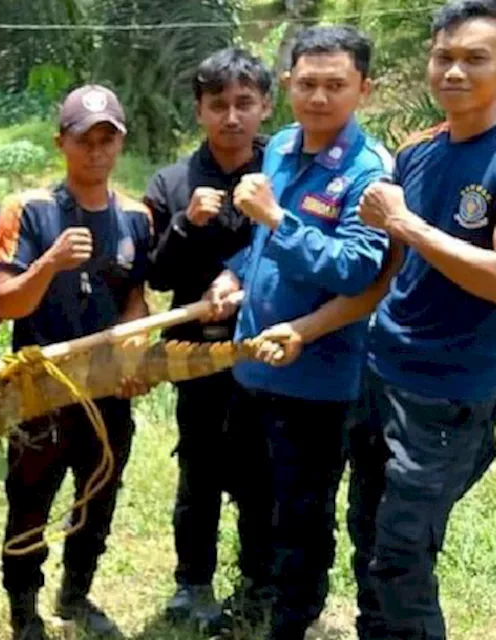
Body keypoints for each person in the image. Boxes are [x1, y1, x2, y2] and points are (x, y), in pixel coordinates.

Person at [248, 3, 496, 637]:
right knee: (371, 538)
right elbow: (382, 282)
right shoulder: (419, 154)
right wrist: (300, 330)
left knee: (404, 554)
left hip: (453, 392)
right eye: (444, 57)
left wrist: (407, 223)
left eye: (477, 58)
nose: (455, 72)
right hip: (380, 375)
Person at [203, 25, 392, 639]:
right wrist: (231, 279)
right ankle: (254, 591)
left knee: (302, 511)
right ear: (287, 85)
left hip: (317, 379)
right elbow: (260, 247)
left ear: (362, 88)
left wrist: (278, 220)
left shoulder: (371, 174)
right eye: (307, 83)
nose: (318, 97)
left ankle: (293, 619)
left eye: (334, 85)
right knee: (252, 493)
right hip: (251, 361)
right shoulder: (281, 146)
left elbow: (357, 270)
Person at [0, 84, 152, 639]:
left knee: (99, 492)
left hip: (105, 389)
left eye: (108, 140)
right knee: (30, 497)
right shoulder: (29, 212)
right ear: (62, 142)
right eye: (86, 140)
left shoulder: (136, 217)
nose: (97, 152)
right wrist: (52, 263)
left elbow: (136, 296)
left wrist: (134, 350)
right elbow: (6, 302)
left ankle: (76, 593)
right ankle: (23, 604)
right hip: (40, 389)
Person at [142, 48, 274, 627]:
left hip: (271, 350)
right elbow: (157, 276)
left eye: (244, 103)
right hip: (196, 352)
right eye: (217, 104)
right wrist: (185, 223)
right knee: (198, 470)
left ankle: (258, 585)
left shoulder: (285, 173)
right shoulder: (173, 182)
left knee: (262, 473)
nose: (231, 117)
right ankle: (191, 584)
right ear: (198, 110)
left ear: (266, 106)